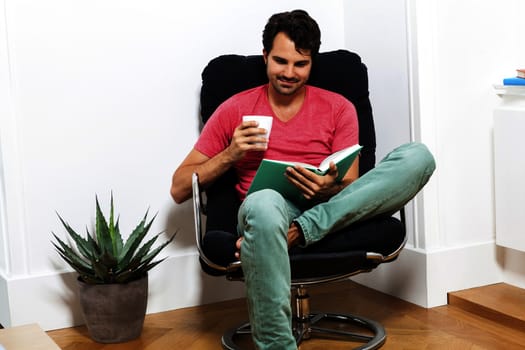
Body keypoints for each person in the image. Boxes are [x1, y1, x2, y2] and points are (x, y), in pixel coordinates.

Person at [171, 9, 435, 350]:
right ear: (265, 56)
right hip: (269, 210)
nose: (290, 73)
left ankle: (303, 230)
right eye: (281, 61)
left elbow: (353, 187)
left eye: (301, 64)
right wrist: (230, 153)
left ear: (313, 63)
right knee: (263, 202)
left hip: (330, 209)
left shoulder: (339, 107)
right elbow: (179, 187)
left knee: (418, 156)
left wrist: (330, 186)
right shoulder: (235, 108)